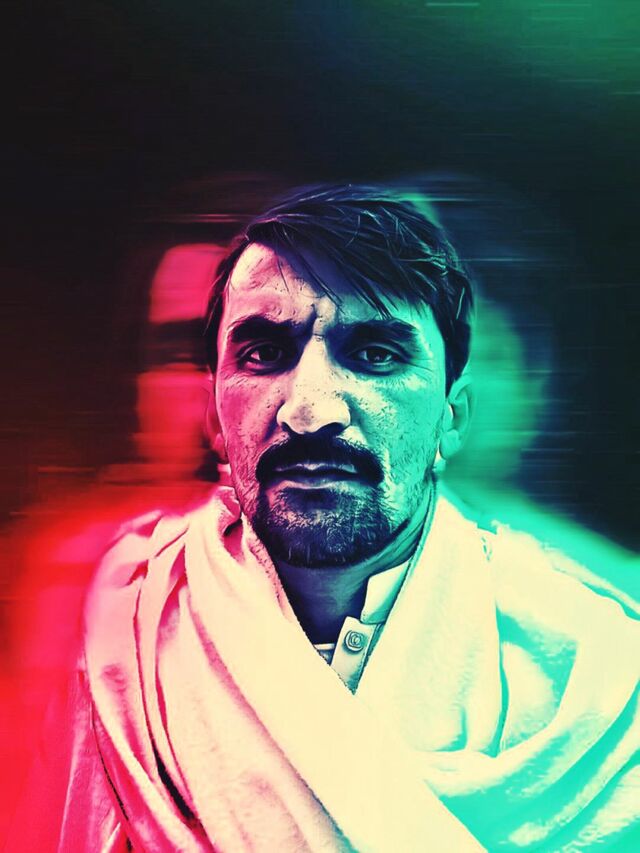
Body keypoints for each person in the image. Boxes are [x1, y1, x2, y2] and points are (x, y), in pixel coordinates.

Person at [11, 184, 639, 852]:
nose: (309, 411)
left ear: (451, 417)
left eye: (375, 355)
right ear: (215, 415)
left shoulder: (595, 679)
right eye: (263, 354)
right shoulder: (127, 632)